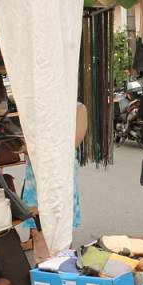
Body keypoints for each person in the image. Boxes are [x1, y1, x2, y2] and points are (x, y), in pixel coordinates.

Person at [22, 103, 86, 259]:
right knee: (38, 232)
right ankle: (44, 275)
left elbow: (73, 142)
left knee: (61, 233)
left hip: (61, 176)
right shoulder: (32, 104)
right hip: (36, 177)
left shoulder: (78, 108)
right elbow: (24, 145)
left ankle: (61, 275)